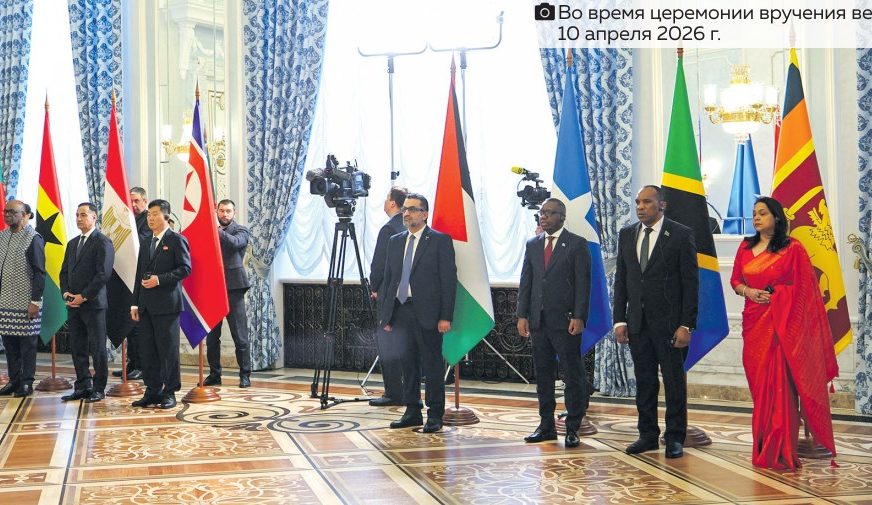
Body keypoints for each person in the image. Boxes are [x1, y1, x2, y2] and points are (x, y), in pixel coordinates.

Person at [730, 196, 838, 470]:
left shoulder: (793, 248)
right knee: (760, 388)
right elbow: (735, 281)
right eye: (754, 213)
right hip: (754, 325)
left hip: (782, 328)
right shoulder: (745, 247)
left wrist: (778, 295)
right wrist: (749, 292)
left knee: (781, 389)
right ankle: (763, 443)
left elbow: (805, 291)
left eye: (762, 213)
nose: (756, 218)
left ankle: (781, 448)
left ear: (776, 218)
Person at [614, 185, 698, 459]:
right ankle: (647, 435)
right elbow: (622, 280)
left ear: (662, 205)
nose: (640, 207)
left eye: (647, 202)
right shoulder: (627, 234)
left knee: (673, 383)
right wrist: (619, 320)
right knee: (645, 382)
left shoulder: (680, 234)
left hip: (670, 325)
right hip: (637, 324)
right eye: (638, 202)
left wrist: (686, 324)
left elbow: (690, 283)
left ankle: (674, 437)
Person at [378, 193, 456, 433]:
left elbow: (448, 281)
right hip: (401, 311)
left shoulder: (439, 241)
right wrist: (387, 316)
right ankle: (412, 411)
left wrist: (445, 316)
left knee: (432, 366)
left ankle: (435, 414)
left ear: (424, 214)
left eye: (412, 209)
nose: (406, 213)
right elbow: (389, 280)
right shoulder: (395, 241)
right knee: (407, 364)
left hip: (428, 313)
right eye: (405, 209)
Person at [517, 198, 591, 448]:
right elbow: (526, 281)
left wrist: (579, 316)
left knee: (572, 375)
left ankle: (572, 427)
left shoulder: (577, 244)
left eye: (550, 213)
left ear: (562, 216)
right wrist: (522, 315)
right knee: (544, 376)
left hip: (566, 321)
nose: (544, 216)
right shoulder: (533, 244)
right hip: (538, 321)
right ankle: (546, 426)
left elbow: (583, 284)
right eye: (542, 212)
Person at [130, 199, 191, 409]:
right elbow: (139, 273)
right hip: (145, 306)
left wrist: (160, 280)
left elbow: (185, 268)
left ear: (166, 216)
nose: (151, 218)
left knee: (168, 351)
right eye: (148, 215)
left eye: (155, 214)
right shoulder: (146, 241)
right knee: (148, 350)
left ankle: (169, 392)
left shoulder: (176, 239)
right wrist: (134, 304)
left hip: (167, 306)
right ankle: (152, 390)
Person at [59, 203, 114, 403]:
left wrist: (83, 296)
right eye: (77, 215)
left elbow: (103, 274)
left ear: (94, 217)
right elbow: (64, 271)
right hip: (73, 305)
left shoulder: (102, 241)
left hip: (93, 304)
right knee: (77, 347)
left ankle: (99, 388)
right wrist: (66, 293)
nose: (79, 218)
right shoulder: (73, 243)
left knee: (97, 348)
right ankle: (82, 385)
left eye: (83, 215)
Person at [0, 200, 46, 398]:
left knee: (27, 346)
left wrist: (35, 301)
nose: (7, 215)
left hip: (27, 302)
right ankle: (14, 380)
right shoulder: (2, 236)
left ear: (26, 215)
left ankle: (27, 382)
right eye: (5, 211)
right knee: (9, 344)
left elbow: (40, 273)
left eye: (13, 212)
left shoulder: (33, 238)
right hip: (4, 301)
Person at [204, 199, 252, 388]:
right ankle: (214, 374)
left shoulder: (241, 230)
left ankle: (245, 375)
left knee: (240, 336)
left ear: (234, 213)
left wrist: (216, 230)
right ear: (216, 211)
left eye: (228, 211)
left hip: (234, 289)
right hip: (213, 288)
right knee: (211, 338)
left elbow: (235, 244)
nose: (225, 214)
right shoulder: (209, 231)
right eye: (222, 211)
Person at [368, 186, 407, 407]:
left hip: (387, 294)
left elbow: (379, 263)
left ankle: (393, 392)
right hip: (407, 295)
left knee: (387, 344)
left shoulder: (388, 229)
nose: (384, 202)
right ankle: (407, 390)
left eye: (386, 198)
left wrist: (374, 287)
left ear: (393, 202)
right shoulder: (409, 226)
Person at [112, 186, 150, 380]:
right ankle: (132, 362)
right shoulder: (128, 219)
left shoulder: (148, 220)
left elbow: (139, 243)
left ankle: (142, 365)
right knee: (128, 322)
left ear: (145, 201)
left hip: (141, 278)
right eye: (131, 201)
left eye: (136, 201)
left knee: (137, 326)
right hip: (125, 276)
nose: (133, 204)